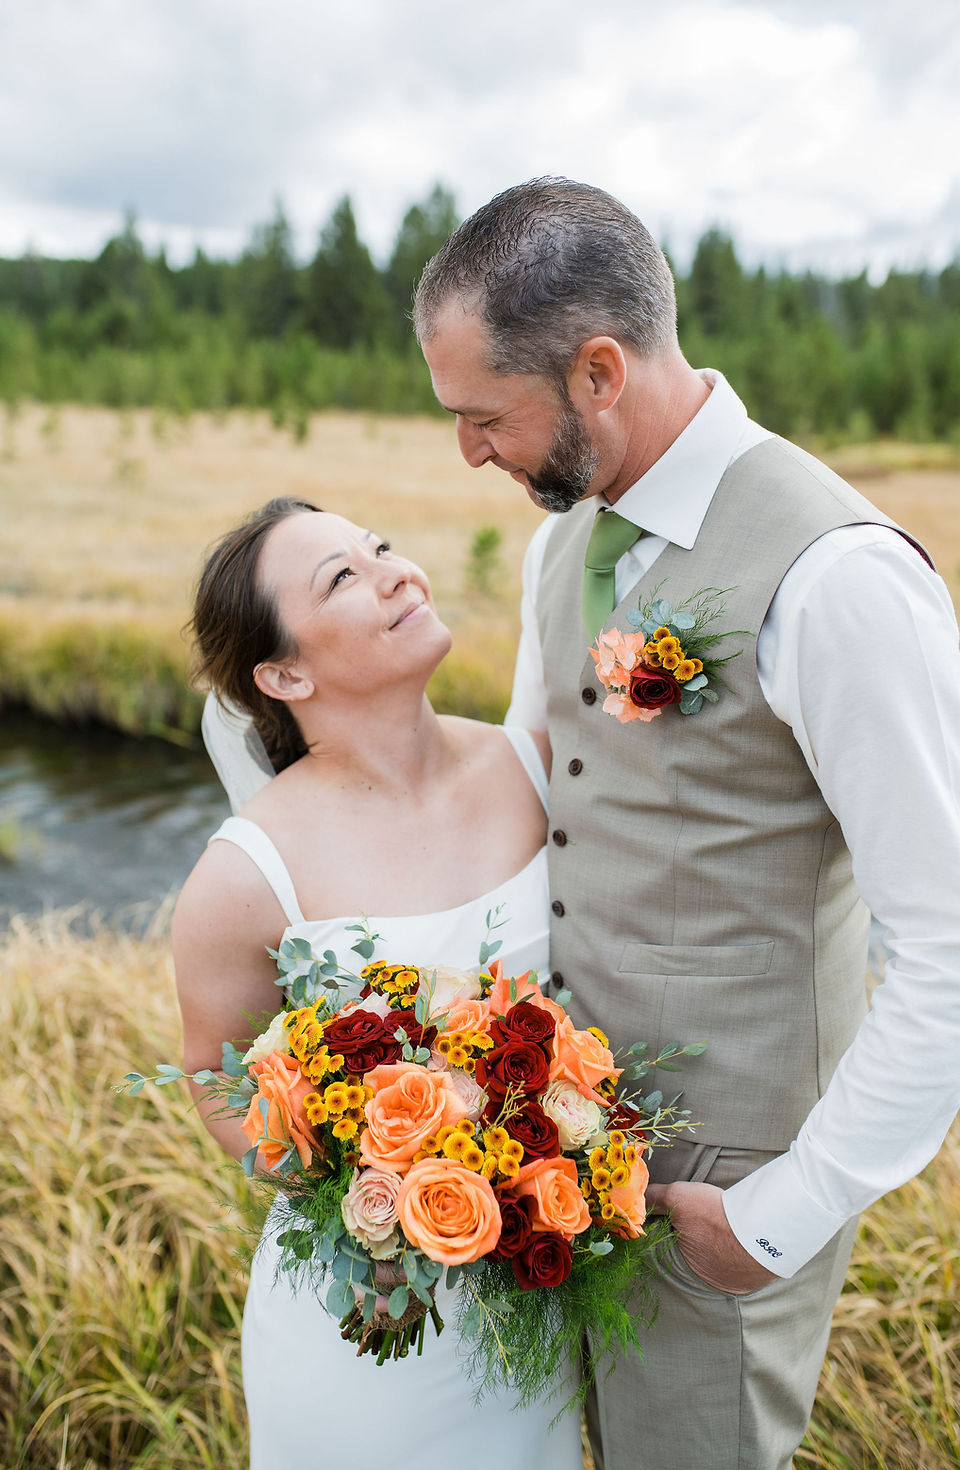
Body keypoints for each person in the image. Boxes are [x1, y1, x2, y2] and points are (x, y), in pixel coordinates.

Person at [407, 178, 960, 1470]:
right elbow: (544, 791)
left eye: (484, 416)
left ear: (598, 371)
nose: (470, 453)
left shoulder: (840, 579)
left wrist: (783, 1213)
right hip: (547, 1155)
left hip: (727, 1192)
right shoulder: (566, 543)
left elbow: (956, 946)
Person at [173, 497, 583, 1470]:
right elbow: (212, 1074)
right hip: (364, 1319)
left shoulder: (536, 769)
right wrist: (362, 1199)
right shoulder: (244, 875)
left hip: (532, 1289)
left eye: (381, 548)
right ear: (285, 675)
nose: (396, 572)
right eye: (344, 578)